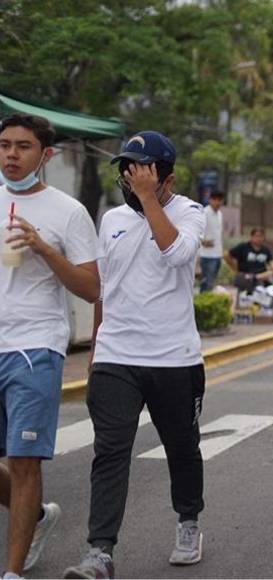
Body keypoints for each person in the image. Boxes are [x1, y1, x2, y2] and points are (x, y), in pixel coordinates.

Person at [64, 131, 207, 579]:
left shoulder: (191, 213)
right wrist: (95, 344)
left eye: (142, 172)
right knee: (109, 451)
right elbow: (105, 287)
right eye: (127, 171)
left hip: (175, 358)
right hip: (116, 355)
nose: (131, 180)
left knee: (182, 448)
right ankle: (99, 552)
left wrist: (150, 202)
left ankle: (188, 520)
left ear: (168, 177)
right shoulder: (110, 220)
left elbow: (176, 253)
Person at [0, 114, 100, 577]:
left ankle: (13, 572)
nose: (11, 155)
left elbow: (90, 288)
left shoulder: (68, 211)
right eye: (4, 145)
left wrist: (43, 247)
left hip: (36, 345)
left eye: (22, 146)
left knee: (23, 461)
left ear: (46, 154)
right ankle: (38, 517)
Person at [226, 227, 273, 292]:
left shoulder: (265, 250)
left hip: (262, 275)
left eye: (261, 236)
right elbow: (227, 255)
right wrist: (235, 268)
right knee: (257, 279)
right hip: (246, 275)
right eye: (257, 236)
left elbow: (271, 261)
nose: (259, 239)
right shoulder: (243, 247)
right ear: (251, 237)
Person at [198, 190, 224, 292]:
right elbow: (197, 230)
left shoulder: (220, 214)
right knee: (206, 283)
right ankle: (202, 304)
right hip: (207, 254)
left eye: (220, 200)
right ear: (210, 200)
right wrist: (203, 241)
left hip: (218, 253)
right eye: (215, 200)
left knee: (212, 282)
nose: (218, 203)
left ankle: (207, 303)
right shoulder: (204, 213)